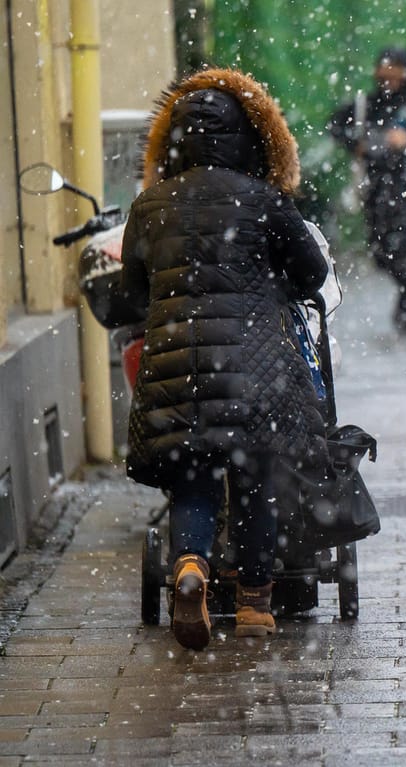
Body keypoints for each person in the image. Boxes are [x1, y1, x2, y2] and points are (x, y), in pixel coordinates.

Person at [120, 68, 330, 651]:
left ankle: (191, 567)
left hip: (173, 373)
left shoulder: (150, 205)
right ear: (248, 139)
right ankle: (257, 604)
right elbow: (312, 274)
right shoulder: (264, 199)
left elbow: (130, 297)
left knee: (194, 479)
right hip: (253, 372)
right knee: (254, 477)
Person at [327, 47, 406, 335]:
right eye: (385, 70)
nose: (389, 78)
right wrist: (359, 142)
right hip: (379, 189)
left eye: (396, 71)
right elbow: (335, 125)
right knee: (384, 251)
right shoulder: (367, 105)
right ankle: (405, 291)